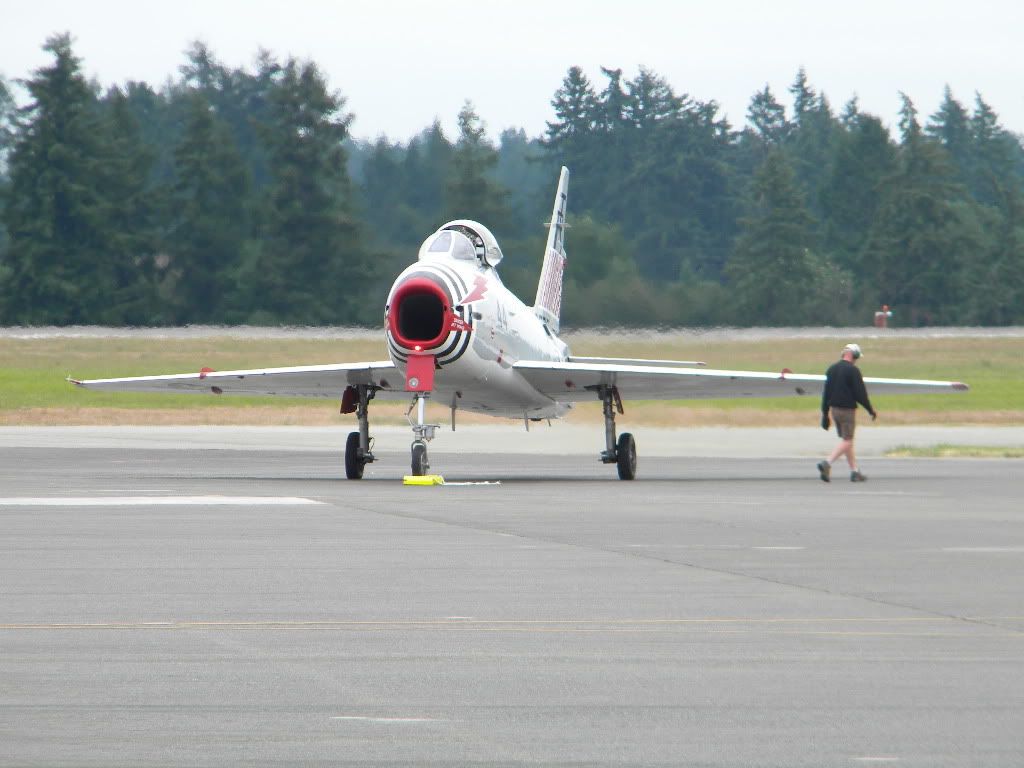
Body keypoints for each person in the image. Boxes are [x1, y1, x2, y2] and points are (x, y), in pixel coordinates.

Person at [817, 343, 877, 482]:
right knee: (848, 440)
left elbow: (826, 393)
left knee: (846, 440)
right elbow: (860, 393)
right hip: (847, 410)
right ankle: (827, 463)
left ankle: (855, 472)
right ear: (853, 355)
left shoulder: (831, 369)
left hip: (834, 410)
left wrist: (825, 414)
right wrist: (870, 409)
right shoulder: (853, 371)